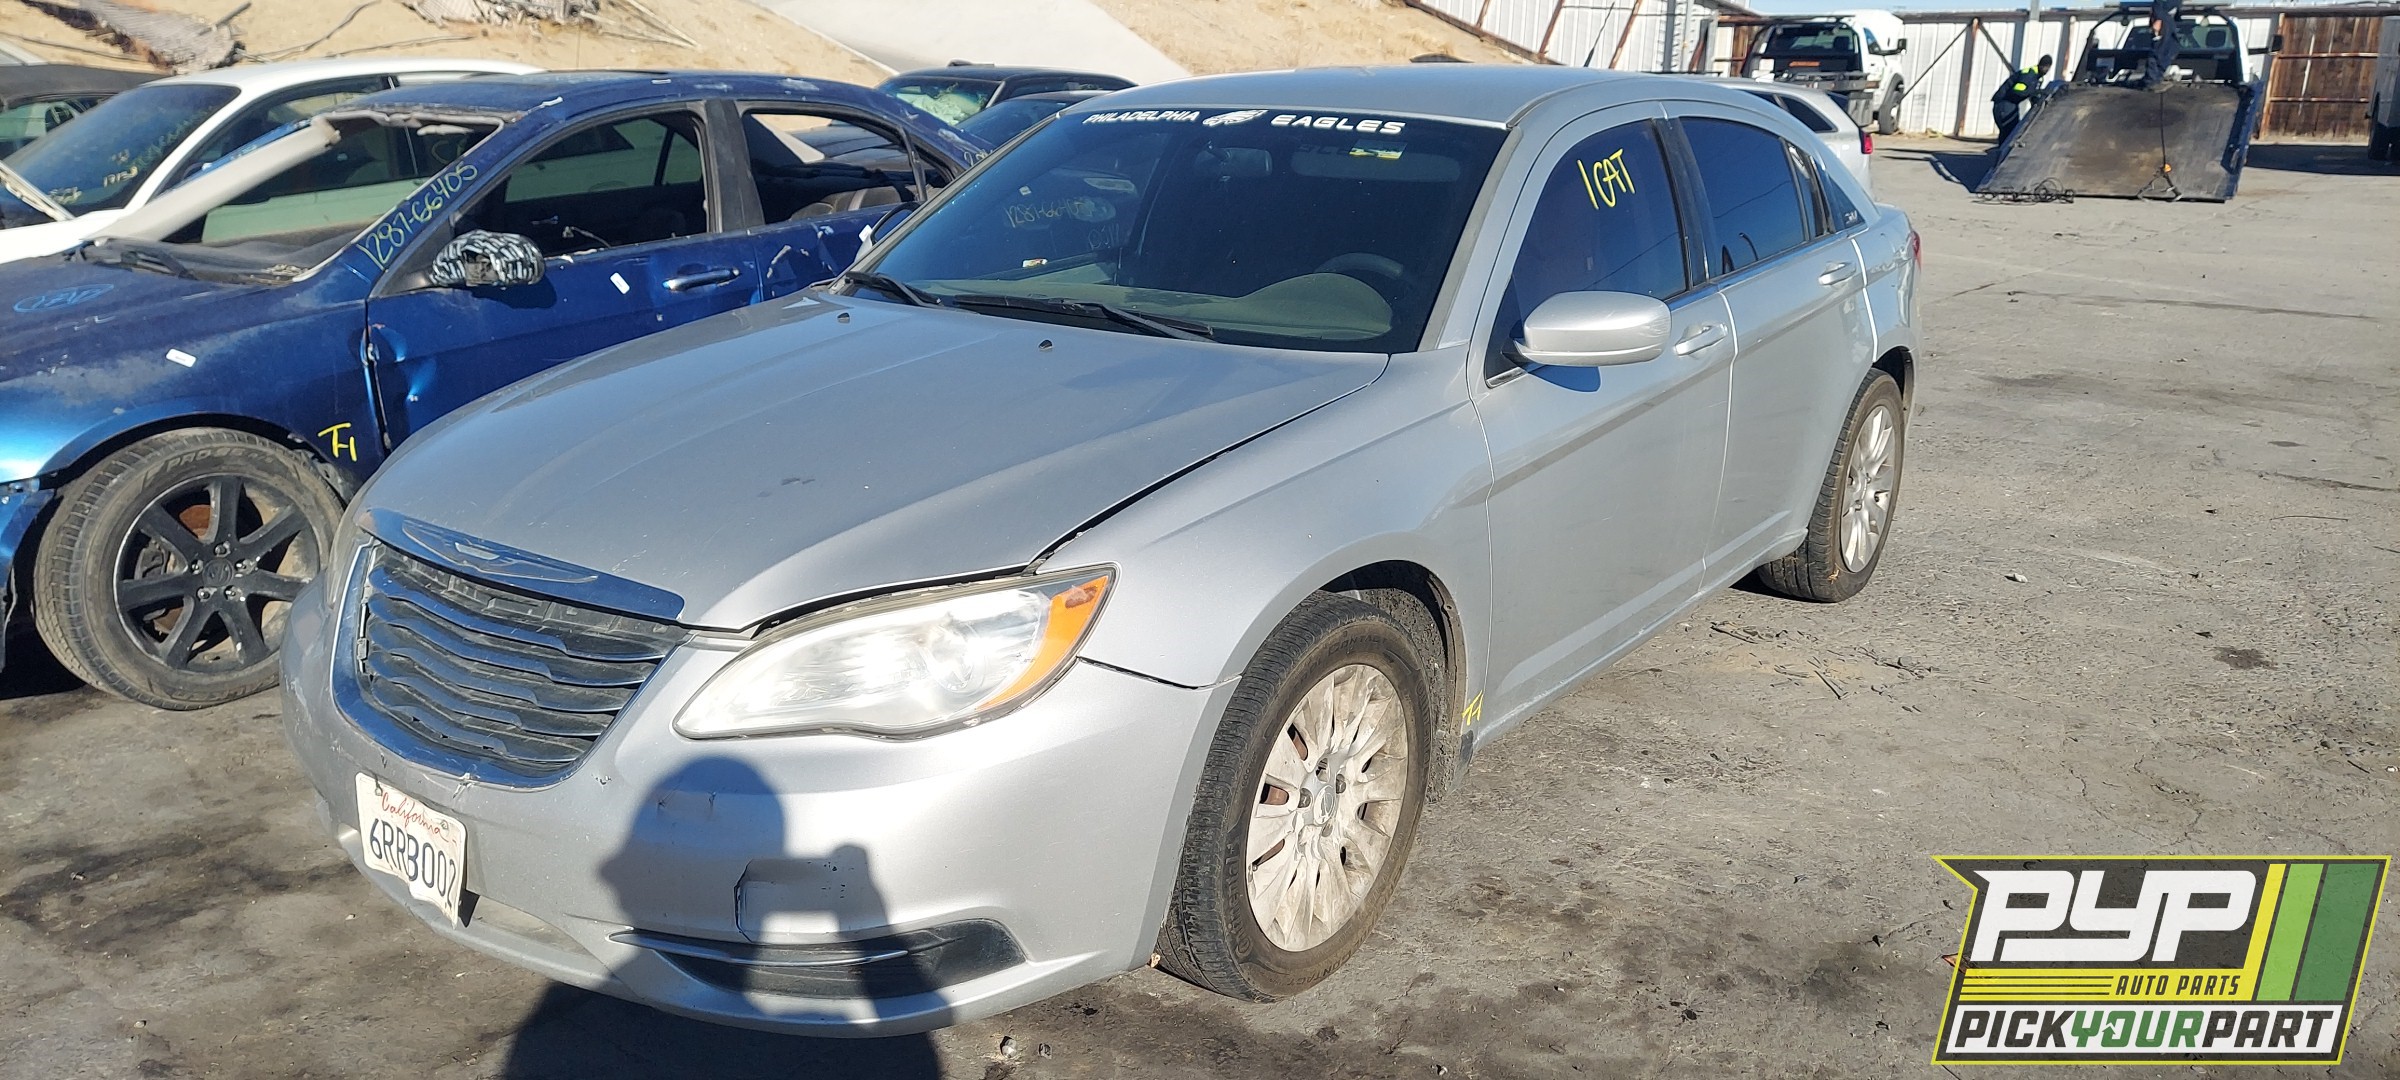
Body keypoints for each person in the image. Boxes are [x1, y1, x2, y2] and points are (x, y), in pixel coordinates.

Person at [1991, 54, 2054, 144]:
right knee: (2008, 130)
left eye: (2048, 67)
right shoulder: (2029, 74)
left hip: (2012, 104)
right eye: (2045, 66)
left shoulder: (2038, 78)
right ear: (2040, 65)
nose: (2046, 69)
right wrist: (2036, 92)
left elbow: (2031, 94)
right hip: (2004, 102)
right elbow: (2017, 91)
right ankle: (2001, 155)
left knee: (2011, 131)